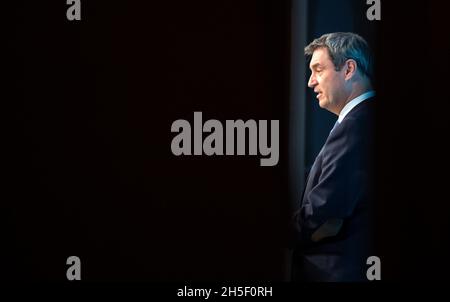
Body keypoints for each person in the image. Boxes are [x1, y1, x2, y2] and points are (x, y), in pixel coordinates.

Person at [291, 32, 376, 281]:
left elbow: (325, 212)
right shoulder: (357, 121)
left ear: (349, 68)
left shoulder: (357, 124)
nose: (310, 82)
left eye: (318, 69)